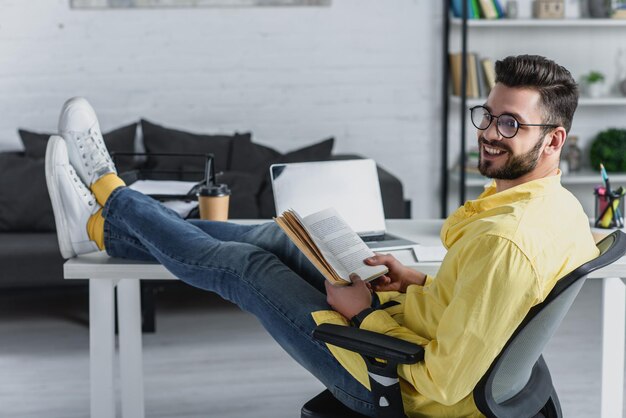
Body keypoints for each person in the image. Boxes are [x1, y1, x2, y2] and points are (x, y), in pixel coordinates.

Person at [45, 54, 598, 417]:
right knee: (282, 237)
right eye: (488, 115)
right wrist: (412, 285)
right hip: (409, 327)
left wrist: (362, 314)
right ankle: (101, 225)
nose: (489, 134)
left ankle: (108, 192)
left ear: (553, 140)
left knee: (247, 267)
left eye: (510, 125)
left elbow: (444, 382)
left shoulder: (507, 241)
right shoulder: (560, 207)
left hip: (394, 384)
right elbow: (482, 306)